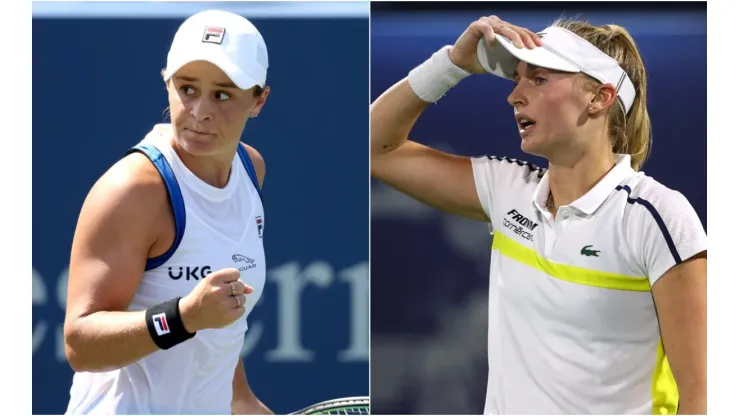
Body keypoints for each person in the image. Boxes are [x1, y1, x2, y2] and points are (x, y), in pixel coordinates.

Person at [371, 15, 707, 415]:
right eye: (517, 79)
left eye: (539, 79)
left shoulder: (656, 216)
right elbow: (375, 149)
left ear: (599, 97)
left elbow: (702, 395)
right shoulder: (506, 190)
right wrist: (452, 63)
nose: (514, 96)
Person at [63, 10, 273, 415]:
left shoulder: (251, 169)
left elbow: (220, 332)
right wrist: (184, 316)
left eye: (223, 94)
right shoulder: (134, 190)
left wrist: (245, 403)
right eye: (187, 88)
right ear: (167, 82)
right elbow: (80, 344)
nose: (199, 111)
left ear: (259, 100)